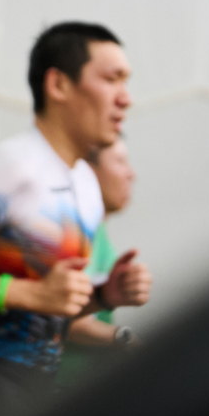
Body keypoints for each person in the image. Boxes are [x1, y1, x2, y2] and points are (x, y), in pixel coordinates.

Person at [0, 23, 153, 416]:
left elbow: (47, 310)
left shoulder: (86, 184)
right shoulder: (9, 167)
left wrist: (104, 295)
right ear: (58, 85)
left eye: (126, 82)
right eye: (111, 79)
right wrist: (32, 294)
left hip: (38, 398)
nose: (126, 98)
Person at [57, 140, 144, 385]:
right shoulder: (76, 233)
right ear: (88, 171)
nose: (131, 173)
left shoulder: (98, 231)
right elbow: (59, 313)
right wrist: (122, 338)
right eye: (120, 162)